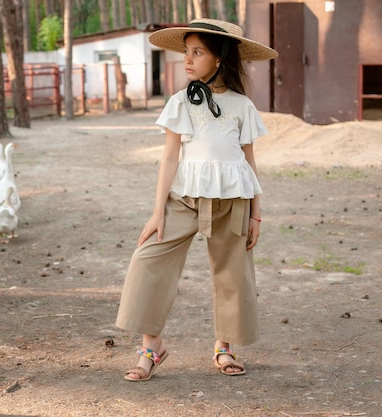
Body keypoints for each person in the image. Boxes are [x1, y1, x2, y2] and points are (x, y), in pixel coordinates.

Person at [115, 18, 278, 382]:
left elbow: (249, 161)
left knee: (234, 275)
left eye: (197, 52)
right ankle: (151, 346)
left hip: (233, 201)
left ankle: (225, 347)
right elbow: (170, 157)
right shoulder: (179, 103)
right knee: (148, 260)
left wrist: (256, 214)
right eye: (186, 52)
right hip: (183, 201)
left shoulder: (241, 106)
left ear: (218, 58)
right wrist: (158, 211)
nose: (187, 59)